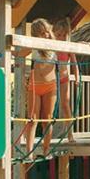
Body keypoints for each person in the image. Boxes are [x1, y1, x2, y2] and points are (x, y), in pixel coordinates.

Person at [19, 18, 58, 157]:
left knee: (47, 119)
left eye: (47, 32)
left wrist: (86, 44)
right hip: (35, 86)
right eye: (42, 33)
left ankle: (46, 149)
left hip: (50, 86)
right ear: (36, 35)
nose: (46, 35)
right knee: (32, 119)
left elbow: (71, 45)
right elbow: (19, 53)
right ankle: (29, 152)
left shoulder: (55, 45)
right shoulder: (33, 45)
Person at [53, 18, 78, 142]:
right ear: (54, 34)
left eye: (64, 35)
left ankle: (70, 134)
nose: (61, 38)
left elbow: (74, 63)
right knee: (51, 106)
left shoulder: (68, 47)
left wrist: (77, 77)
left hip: (64, 78)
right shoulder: (51, 47)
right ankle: (50, 132)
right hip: (52, 79)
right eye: (59, 35)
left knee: (65, 105)